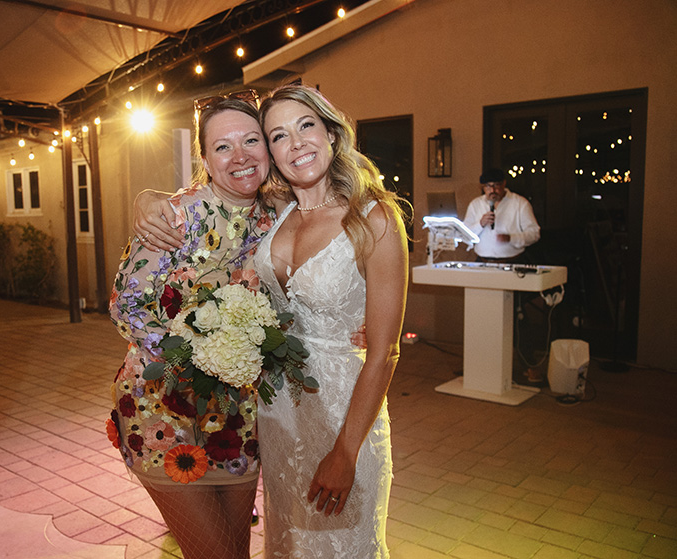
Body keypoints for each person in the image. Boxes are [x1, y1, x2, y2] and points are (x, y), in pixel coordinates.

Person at [134, 84, 405, 557]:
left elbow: (385, 351)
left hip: (344, 413)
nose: (296, 143)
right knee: (287, 545)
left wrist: (345, 453)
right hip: (277, 418)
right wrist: (147, 197)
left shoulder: (375, 219)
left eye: (306, 126)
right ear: (273, 154)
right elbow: (211, 196)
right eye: (279, 135)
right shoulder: (278, 212)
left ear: (332, 134)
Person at [107, 93, 271, 559]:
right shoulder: (175, 215)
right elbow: (127, 307)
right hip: (163, 410)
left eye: (251, 140)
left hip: (238, 420)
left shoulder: (276, 218)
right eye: (223, 146)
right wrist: (201, 348)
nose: (239, 156)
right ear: (204, 158)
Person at [463, 168, 540, 263]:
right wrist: (480, 224)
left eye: (496, 185)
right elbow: (465, 234)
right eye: (488, 186)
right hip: (482, 262)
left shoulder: (520, 203)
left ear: (503, 183)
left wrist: (511, 238)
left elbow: (534, 234)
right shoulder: (475, 204)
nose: (492, 190)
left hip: (512, 262)